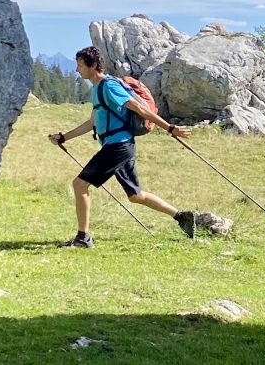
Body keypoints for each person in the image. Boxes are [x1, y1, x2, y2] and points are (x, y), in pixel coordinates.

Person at [49, 46, 195, 248]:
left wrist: (170, 128)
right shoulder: (96, 89)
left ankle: (83, 238)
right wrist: (64, 137)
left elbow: (141, 109)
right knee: (136, 196)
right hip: (119, 146)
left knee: (79, 185)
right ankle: (181, 216)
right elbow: (92, 122)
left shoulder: (109, 86)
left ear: (93, 66)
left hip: (118, 147)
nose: (76, 69)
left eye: (80, 65)